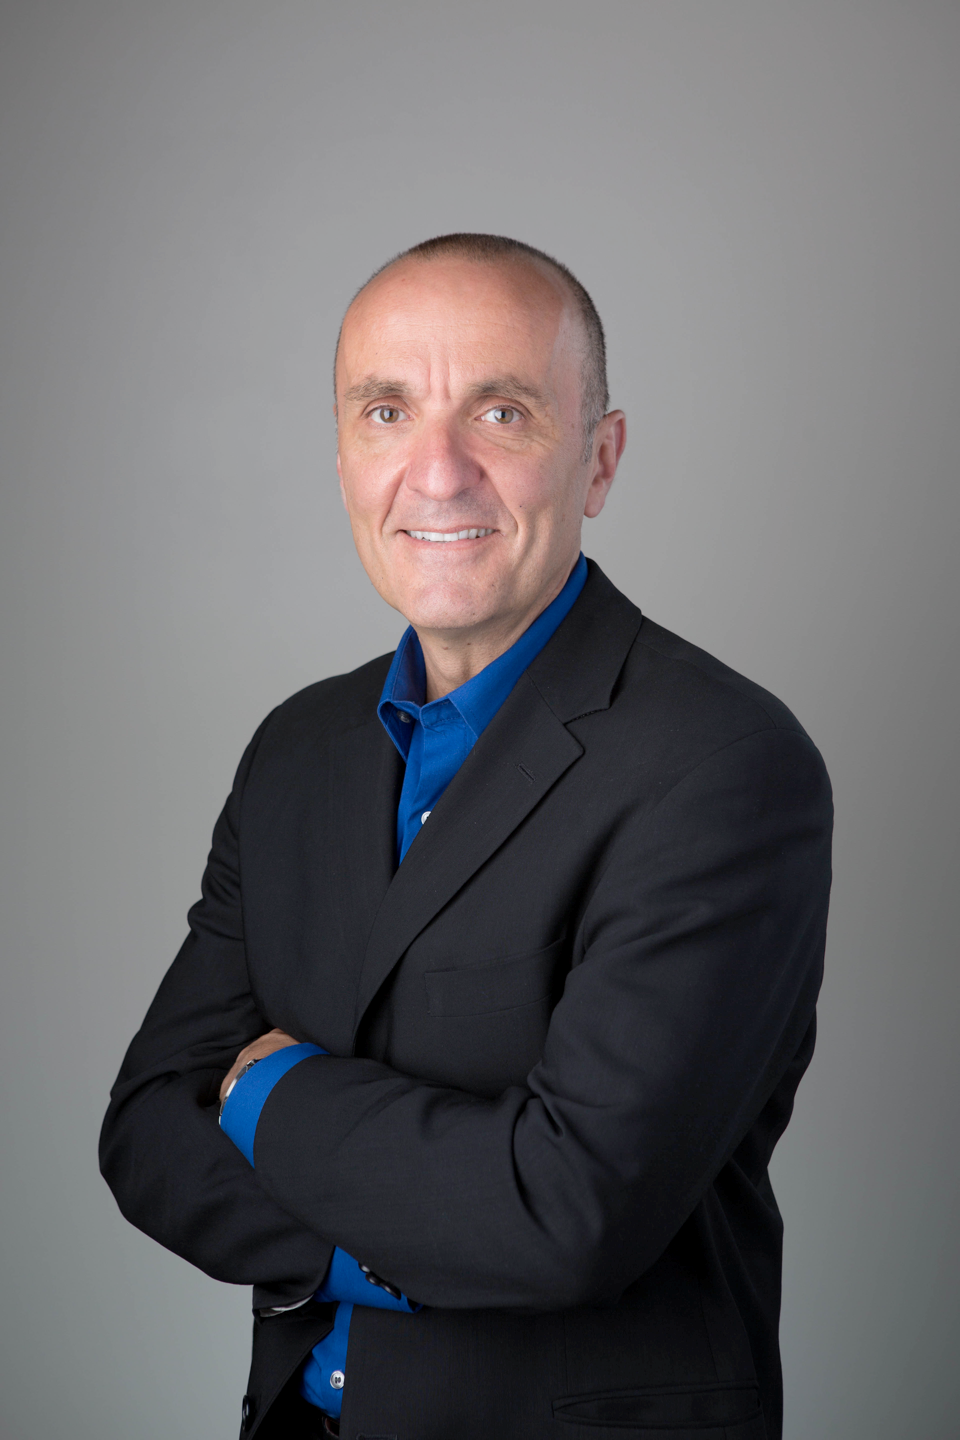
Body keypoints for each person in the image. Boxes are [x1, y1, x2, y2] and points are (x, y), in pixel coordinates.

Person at [99, 233, 832, 1440]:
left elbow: (564, 1214)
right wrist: (399, 1245)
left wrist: (267, 1085)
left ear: (600, 459)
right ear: (344, 457)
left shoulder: (722, 766)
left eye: (501, 412)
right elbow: (147, 1132)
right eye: (387, 412)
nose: (436, 473)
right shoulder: (296, 750)